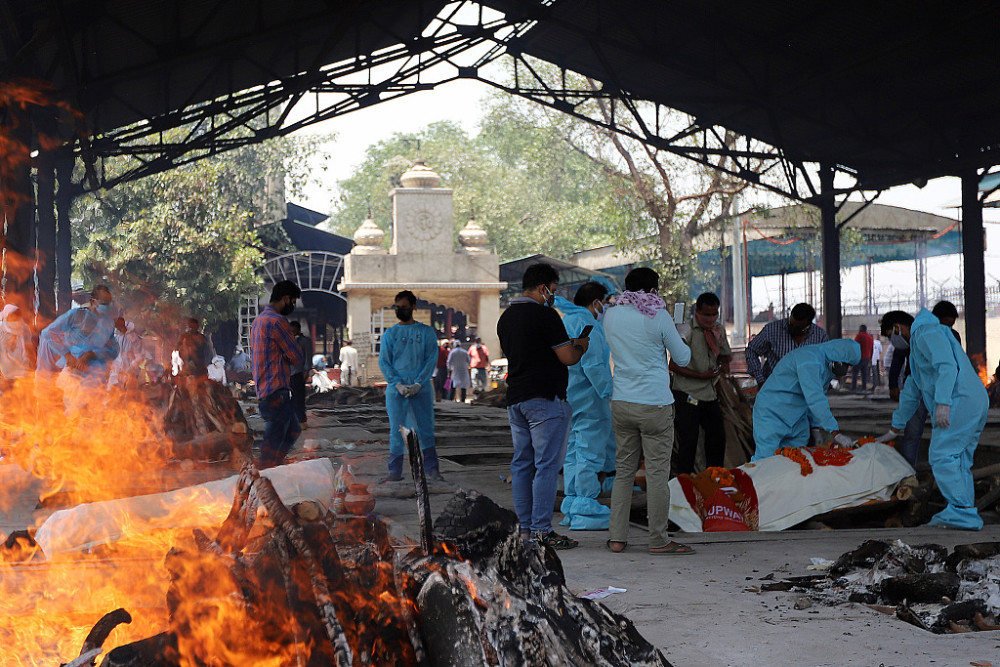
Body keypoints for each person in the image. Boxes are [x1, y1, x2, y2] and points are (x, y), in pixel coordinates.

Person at [497, 262, 589, 549]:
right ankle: (542, 530)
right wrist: (581, 345)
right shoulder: (545, 315)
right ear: (542, 287)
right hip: (545, 400)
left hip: (517, 400)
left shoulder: (506, 318)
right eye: (553, 289)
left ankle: (525, 530)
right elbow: (568, 358)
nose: (553, 294)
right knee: (546, 466)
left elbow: (529, 350)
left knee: (522, 464)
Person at [603, 267, 693, 555]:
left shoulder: (611, 314)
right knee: (656, 474)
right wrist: (682, 335)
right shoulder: (658, 315)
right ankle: (658, 539)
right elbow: (682, 357)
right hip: (655, 403)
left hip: (622, 401)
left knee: (624, 472)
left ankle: (617, 538)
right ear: (653, 289)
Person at [875, 308, 989, 530]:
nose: (892, 341)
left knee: (941, 455)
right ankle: (963, 511)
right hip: (972, 400)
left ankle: (962, 512)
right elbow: (911, 391)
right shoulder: (918, 347)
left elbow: (946, 366)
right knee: (960, 459)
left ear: (898, 327)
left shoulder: (927, 332)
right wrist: (894, 429)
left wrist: (944, 402)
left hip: (959, 400)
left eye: (890, 335)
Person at [553, 281, 615, 531]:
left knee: (574, 452)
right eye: (606, 302)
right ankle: (585, 508)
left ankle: (571, 503)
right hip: (590, 397)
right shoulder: (589, 325)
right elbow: (593, 365)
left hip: (571, 394)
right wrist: (610, 392)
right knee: (590, 451)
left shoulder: (568, 320)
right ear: (596, 302)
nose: (607, 308)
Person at [751, 339, 860, 461]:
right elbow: (815, 398)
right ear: (838, 358)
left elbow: (815, 399)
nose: (846, 370)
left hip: (796, 418)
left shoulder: (826, 368)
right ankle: (753, 480)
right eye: (847, 365)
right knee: (766, 461)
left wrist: (815, 428)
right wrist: (835, 433)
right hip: (772, 412)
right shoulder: (810, 359)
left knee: (795, 459)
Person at [378, 290, 442, 482]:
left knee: (425, 427)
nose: (401, 310)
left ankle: (432, 469)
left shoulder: (426, 332)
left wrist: (418, 383)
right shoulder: (390, 334)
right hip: (396, 387)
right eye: (398, 307)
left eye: (404, 307)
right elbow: (384, 362)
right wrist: (396, 383)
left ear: (413, 307)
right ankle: (394, 471)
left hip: (420, 387)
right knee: (396, 429)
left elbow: (431, 359)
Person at [670, 292, 732, 474]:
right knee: (689, 439)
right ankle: (684, 481)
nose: (710, 319)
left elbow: (725, 358)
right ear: (697, 311)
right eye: (706, 315)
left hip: (708, 392)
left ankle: (714, 476)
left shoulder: (718, 329)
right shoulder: (686, 330)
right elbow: (673, 365)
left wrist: (722, 366)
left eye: (714, 315)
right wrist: (700, 375)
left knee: (717, 437)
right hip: (688, 392)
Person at [250, 280, 304, 468]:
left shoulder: (258, 321)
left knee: (292, 430)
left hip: (264, 389)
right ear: (286, 299)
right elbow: (296, 356)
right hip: (276, 391)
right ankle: (264, 476)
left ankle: (273, 468)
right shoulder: (277, 321)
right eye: (292, 301)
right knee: (272, 445)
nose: (292, 306)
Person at [37, 285, 118, 383]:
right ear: (93, 301)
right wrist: (67, 355)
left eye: (108, 303)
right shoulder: (76, 315)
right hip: (73, 372)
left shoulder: (108, 323)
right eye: (103, 303)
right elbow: (48, 333)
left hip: (96, 377)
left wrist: (92, 354)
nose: (106, 307)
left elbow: (113, 349)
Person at [744, 302, 829, 386]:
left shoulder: (820, 336)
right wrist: (760, 379)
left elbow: (827, 362)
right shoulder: (772, 331)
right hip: (776, 387)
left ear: (808, 325)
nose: (794, 330)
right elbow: (751, 350)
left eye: (799, 328)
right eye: (791, 325)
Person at [0, 304, 33, 384]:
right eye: (12, 318)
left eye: (17, 318)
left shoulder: (24, 328)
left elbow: (28, 347)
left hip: (23, 370)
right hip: (5, 372)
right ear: (6, 317)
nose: (15, 322)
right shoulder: (1, 330)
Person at [107, 319, 145, 389]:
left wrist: (131, 367)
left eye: (120, 327)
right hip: (116, 371)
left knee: (128, 395)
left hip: (130, 373)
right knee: (112, 393)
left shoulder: (134, 338)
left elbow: (139, 357)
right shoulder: (116, 336)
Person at [289, 321, 313, 428]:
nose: (292, 333)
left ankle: (301, 419)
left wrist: (306, 371)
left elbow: (308, 357)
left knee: (299, 397)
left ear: (298, 330)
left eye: (294, 331)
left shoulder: (304, 341)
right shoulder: (289, 341)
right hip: (289, 372)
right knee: (293, 397)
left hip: (299, 372)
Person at [849, 324, 874, 392]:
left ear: (861, 329)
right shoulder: (870, 337)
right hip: (867, 358)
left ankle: (853, 388)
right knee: (864, 373)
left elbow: (854, 346)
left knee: (854, 371)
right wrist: (870, 358)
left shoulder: (859, 336)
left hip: (860, 357)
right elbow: (872, 349)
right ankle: (864, 387)